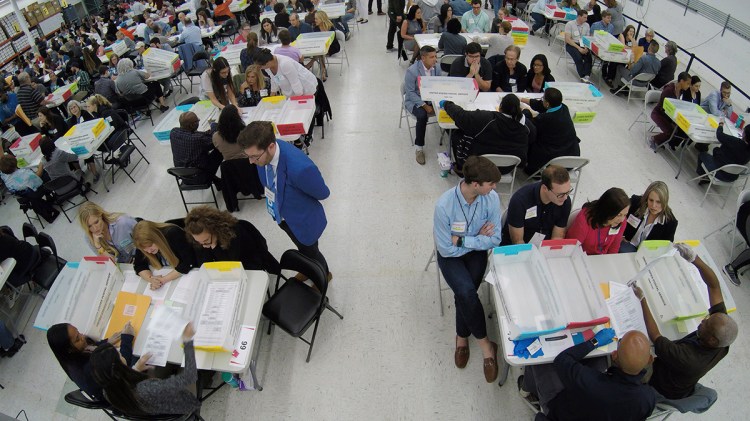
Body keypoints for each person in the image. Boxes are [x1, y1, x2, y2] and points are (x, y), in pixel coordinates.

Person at [635, 243, 738, 399]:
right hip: (680, 375)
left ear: (711, 339)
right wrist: (694, 259)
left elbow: (655, 335)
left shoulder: (688, 358)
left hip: (659, 385)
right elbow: (713, 286)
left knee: (628, 357)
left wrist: (642, 299)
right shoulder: (722, 333)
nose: (703, 320)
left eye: (706, 323)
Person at [433, 155, 501, 383]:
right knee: (466, 292)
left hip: (473, 252)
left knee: (465, 293)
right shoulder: (444, 206)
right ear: (475, 184)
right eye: (490, 184)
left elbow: (495, 240)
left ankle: (461, 338)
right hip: (450, 258)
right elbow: (445, 250)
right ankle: (486, 346)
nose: (494, 188)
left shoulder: (490, 199)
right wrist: (477, 237)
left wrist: (463, 241)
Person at [237, 120, 333, 279]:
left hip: (303, 221)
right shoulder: (264, 154)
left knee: (312, 251)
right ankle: (308, 269)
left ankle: (323, 276)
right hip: (282, 216)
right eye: (248, 156)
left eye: (254, 156)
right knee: (302, 248)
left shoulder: (300, 169)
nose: (251, 162)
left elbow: (322, 193)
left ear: (271, 147)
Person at [520, 329, 656, 420]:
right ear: (650, 359)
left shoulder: (591, 383)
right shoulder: (648, 399)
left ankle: (526, 389)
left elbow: (561, 360)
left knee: (540, 362)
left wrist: (594, 342)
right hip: (595, 409)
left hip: (561, 411)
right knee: (598, 360)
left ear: (614, 355)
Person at [90, 323, 200, 416]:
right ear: (119, 368)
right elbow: (190, 376)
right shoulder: (146, 388)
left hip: (152, 407)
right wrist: (187, 340)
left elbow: (125, 384)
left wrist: (136, 368)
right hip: (183, 403)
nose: (121, 353)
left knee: (162, 363)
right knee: (184, 361)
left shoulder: (109, 391)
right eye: (119, 354)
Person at [47, 322, 146, 401]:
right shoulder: (90, 368)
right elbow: (123, 366)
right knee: (141, 352)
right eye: (77, 339)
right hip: (124, 395)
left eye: (79, 332)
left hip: (114, 382)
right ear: (69, 349)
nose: (83, 336)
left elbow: (88, 348)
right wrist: (127, 338)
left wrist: (105, 342)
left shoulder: (69, 357)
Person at [443, 93, 535, 173]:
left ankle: (460, 168)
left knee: (457, 134)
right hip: (508, 167)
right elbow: (532, 138)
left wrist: (447, 104)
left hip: (481, 166)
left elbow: (462, 116)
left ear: (500, 107)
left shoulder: (488, 119)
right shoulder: (526, 126)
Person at [185, 206, 280, 273]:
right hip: (228, 261)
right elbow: (204, 262)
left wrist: (213, 246)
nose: (203, 244)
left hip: (247, 260)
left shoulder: (234, 233)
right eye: (199, 241)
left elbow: (231, 264)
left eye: (205, 241)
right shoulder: (202, 239)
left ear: (214, 229)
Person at [501, 165, 572, 245]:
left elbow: (557, 237)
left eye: (568, 192)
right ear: (545, 188)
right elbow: (518, 241)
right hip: (519, 247)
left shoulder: (564, 201)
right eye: (560, 194)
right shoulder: (519, 201)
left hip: (543, 246)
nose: (565, 197)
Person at [521, 88, 580, 175]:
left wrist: (525, 111)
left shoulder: (545, 118)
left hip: (555, 156)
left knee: (531, 139)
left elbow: (530, 123)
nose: (542, 100)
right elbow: (541, 105)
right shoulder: (563, 107)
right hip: (571, 153)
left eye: (543, 98)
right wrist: (521, 99)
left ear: (547, 103)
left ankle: (532, 170)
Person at [132, 220, 197, 289]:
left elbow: (189, 262)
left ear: (156, 238)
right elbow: (139, 265)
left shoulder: (174, 234)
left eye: (150, 245)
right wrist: (151, 279)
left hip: (187, 278)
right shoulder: (141, 242)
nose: (149, 251)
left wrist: (163, 280)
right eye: (145, 249)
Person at [404, 46, 441, 165]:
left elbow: (439, 84)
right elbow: (410, 92)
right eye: (432, 57)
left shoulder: (437, 67)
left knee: (450, 109)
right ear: (423, 58)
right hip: (415, 100)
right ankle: (419, 148)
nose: (435, 59)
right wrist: (425, 105)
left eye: (436, 56)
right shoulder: (412, 71)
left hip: (432, 98)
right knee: (422, 116)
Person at [566, 187, 630, 255]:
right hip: (581, 257)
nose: (622, 220)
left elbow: (614, 247)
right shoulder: (584, 220)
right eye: (619, 215)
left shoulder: (621, 222)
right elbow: (571, 249)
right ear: (608, 210)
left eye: (625, 215)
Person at [619, 181, 677, 252]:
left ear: (665, 201)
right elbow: (617, 213)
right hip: (627, 244)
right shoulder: (635, 202)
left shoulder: (671, 223)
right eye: (651, 200)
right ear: (647, 198)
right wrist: (618, 236)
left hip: (647, 255)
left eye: (658, 202)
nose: (653, 205)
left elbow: (664, 248)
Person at [170, 111, 223, 184]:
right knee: (219, 148)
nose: (198, 121)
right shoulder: (198, 139)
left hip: (183, 176)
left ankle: (217, 182)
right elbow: (214, 140)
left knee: (198, 153)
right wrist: (213, 125)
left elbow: (194, 136)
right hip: (200, 177)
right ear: (192, 125)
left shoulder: (173, 132)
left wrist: (205, 134)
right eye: (197, 121)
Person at [0, 154, 58, 221]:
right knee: (45, 174)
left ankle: (48, 197)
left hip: (23, 197)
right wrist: (41, 164)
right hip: (34, 193)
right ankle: (54, 192)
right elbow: (37, 176)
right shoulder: (23, 173)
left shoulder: (4, 176)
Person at [649, 71, 692, 149]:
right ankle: (654, 139)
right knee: (671, 132)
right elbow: (662, 107)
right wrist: (672, 121)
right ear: (682, 81)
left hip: (668, 115)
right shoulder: (669, 90)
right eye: (688, 83)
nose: (688, 86)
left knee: (678, 130)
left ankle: (662, 140)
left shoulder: (681, 91)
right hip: (659, 114)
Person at [309, 11, 340, 81]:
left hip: (332, 46)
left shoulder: (330, 27)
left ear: (322, 19)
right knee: (320, 52)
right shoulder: (315, 28)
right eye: (315, 18)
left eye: (316, 19)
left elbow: (331, 41)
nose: (315, 20)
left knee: (321, 52)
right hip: (322, 47)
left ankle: (317, 67)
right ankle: (323, 70)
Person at [564, 10, 593, 83]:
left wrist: (586, 47)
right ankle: (582, 76)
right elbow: (567, 39)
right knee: (578, 57)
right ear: (579, 17)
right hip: (572, 44)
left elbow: (587, 38)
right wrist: (579, 48)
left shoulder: (586, 25)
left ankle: (587, 76)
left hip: (583, 44)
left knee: (588, 58)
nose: (586, 19)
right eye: (584, 17)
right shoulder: (570, 24)